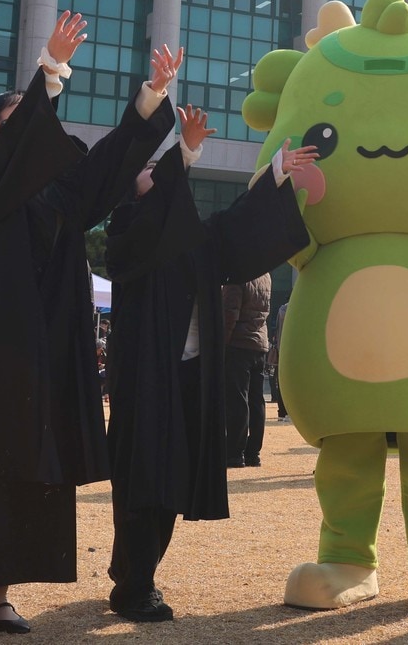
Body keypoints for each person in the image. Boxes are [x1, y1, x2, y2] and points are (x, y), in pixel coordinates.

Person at [0, 12, 178, 640]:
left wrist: (149, 100)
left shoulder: (61, 193)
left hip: (50, 343)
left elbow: (107, 167)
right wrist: (48, 72)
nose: (42, 123)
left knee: (34, 462)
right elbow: (17, 156)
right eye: (20, 116)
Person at [102, 109, 311, 622]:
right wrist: (185, 153)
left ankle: (132, 568)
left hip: (194, 374)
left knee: (172, 478)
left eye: (163, 166)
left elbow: (241, 227)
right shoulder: (128, 229)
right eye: (150, 168)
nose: (159, 172)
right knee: (143, 475)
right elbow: (156, 220)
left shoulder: (196, 239)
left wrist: (276, 173)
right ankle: (137, 585)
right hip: (146, 378)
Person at [224, 272, 273, 468]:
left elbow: (230, 311)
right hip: (259, 342)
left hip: (238, 342)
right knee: (256, 399)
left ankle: (235, 452)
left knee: (237, 398)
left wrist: (222, 342)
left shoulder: (237, 276)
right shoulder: (266, 276)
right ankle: (253, 452)